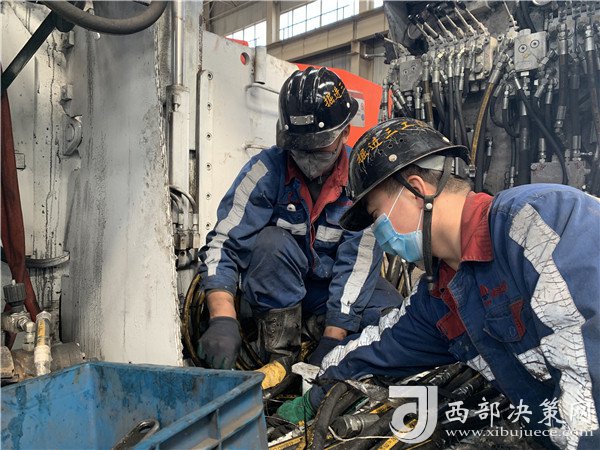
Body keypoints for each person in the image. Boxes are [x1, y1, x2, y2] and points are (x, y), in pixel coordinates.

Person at [277, 117, 599, 449]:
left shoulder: (539, 223)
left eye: (375, 216)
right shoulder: (440, 296)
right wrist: (315, 393)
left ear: (417, 190)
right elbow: (378, 347)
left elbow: (589, 398)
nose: (378, 233)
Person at [195, 67, 402, 387]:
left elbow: (358, 263)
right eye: (299, 146)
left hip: (330, 291)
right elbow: (224, 242)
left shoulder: (361, 182)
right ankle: (281, 353)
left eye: (318, 147)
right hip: (275, 292)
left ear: (345, 133)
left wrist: (333, 339)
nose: (307, 157)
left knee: (390, 315)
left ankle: (319, 339)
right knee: (270, 242)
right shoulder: (265, 171)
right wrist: (222, 318)